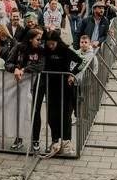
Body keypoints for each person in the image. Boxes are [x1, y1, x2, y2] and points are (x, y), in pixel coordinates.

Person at [38, 29, 83, 157]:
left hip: (65, 87)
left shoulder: (65, 50)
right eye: (49, 44)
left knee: (65, 115)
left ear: (57, 42)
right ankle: (55, 141)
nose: (51, 46)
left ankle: (66, 142)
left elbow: (80, 62)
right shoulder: (46, 50)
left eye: (53, 44)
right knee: (52, 115)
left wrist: (72, 74)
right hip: (51, 87)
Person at [7, 29, 46, 151]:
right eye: (38, 39)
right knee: (20, 111)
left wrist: (23, 69)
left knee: (35, 112)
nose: (40, 42)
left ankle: (35, 140)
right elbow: (8, 63)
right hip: (19, 86)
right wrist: (15, 69)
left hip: (36, 86)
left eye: (41, 39)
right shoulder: (19, 47)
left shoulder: (41, 50)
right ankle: (18, 138)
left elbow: (40, 65)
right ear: (30, 39)